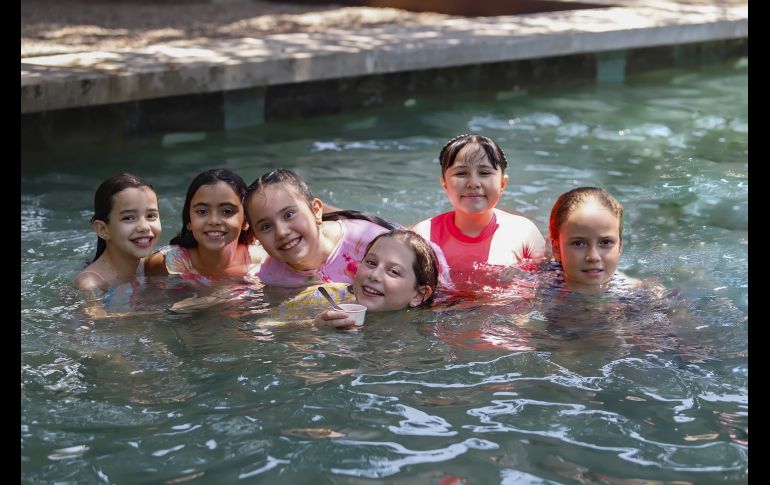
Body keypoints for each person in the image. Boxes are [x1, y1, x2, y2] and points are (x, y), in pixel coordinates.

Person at [411, 134, 545, 286]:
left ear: (502, 184)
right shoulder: (424, 236)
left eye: (485, 173)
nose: (473, 183)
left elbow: (549, 284)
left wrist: (526, 280)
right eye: (461, 173)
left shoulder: (524, 233)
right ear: (444, 184)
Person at [244, 168, 393, 288]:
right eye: (266, 226)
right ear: (256, 238)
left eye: (289, 214)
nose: (282, 232)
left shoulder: (370, 242)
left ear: (316, 210)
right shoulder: (270, 276)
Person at [277, 229, 439, 329]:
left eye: (393, 272)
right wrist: (314, 326)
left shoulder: (424, 330)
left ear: (418, 295)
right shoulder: (324, 296)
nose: (374, 275)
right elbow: (264, 326)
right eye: (371, 262)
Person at [145, 168, 263, 283]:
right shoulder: (164, 264)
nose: (214, 221)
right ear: (189, 221)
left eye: (227, 211)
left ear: (245, 221)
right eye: (202, 211)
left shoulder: (261, 262)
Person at [74, 173, 161, 292]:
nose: (144, 227)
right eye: (129, 218)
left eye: (151, 215)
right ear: (103, 229)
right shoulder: (90, 284)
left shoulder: (155, 265)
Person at [547, 186, 639, 295]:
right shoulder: (539, 288)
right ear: (556, 249)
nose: (593, 257)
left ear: (619, 247)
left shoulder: (634, 293)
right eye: (578, 243)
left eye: (606, 242)